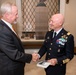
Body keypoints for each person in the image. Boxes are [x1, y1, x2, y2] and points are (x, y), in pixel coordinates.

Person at [0, 2, 37, 75]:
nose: (17, 16)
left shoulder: (7, 26)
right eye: (16, 14)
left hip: (15, 67)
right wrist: (31, 57)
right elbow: (14, 54)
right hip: (10, 70)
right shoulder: (2, 30)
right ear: (7, 15)